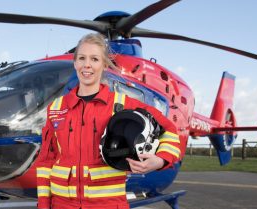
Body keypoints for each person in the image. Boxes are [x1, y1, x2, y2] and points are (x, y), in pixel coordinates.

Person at [35, 33, 181, 209]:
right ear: (75, 63)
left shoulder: (122, 104)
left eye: (94, 59)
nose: (87, 65)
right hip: (62, 205)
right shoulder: (56, 108)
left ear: (104, 65)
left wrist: (159, 160)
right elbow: (45, 162)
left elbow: (170, 130)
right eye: (82, 58)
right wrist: (43, 205)